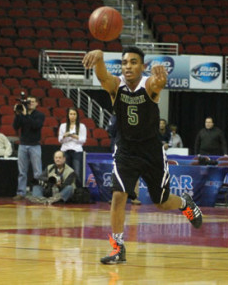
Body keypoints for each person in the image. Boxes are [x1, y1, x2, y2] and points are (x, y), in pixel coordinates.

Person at [82, 47, 202, 264]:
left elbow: (158, 84)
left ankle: (185, 202)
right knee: (119, 195)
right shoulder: (115, 86)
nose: (128, 66)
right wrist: (99, 57)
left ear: (143, 67)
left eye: (133, 62)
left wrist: (161, 77)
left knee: (162, 202)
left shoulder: (149, 85)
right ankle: (118, 248)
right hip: (126, 149)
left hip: (151, 151)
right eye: (125, 62)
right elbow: (102, 76)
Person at [12, 95, 45, 200]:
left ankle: (37, 193)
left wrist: (26, 115)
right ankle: (21, 192)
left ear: (36, 103)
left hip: (35, 145)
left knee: (37, 172)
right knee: (22, 171)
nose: (30, 103)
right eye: (29, 101)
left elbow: (36, 126)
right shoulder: (22, 113)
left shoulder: (40, 115)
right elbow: (15, 127)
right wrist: (17, 115)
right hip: (22, 145)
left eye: (33, 101)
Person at [58, 108, 87, 184]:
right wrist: (65, 136)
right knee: (66, 172)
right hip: (65, 150)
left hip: (77, 151)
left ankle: (77, 191)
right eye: (71, 114)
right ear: (68, 115)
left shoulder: (82, 126)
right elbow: (60, 140)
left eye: (74, 114)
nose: (72, 116)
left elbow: (83, 140)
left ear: (77, 116)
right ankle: (66, 190)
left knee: (77, 171)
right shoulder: (63, 126)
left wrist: (75, 137)